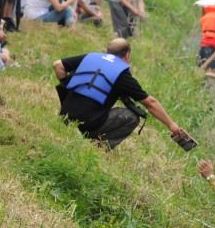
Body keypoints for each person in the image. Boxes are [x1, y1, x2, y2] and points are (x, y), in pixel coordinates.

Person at [53, 38, 190, 149]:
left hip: (65, 115)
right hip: (88, 123)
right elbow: (150, 103)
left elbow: (58, 65)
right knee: (131, 117)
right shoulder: (121, 74)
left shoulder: (91, 57)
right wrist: (172, 125)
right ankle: (98, 148)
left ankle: (79, 133)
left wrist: (67, 85)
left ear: (107, 51)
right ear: (127, 55)